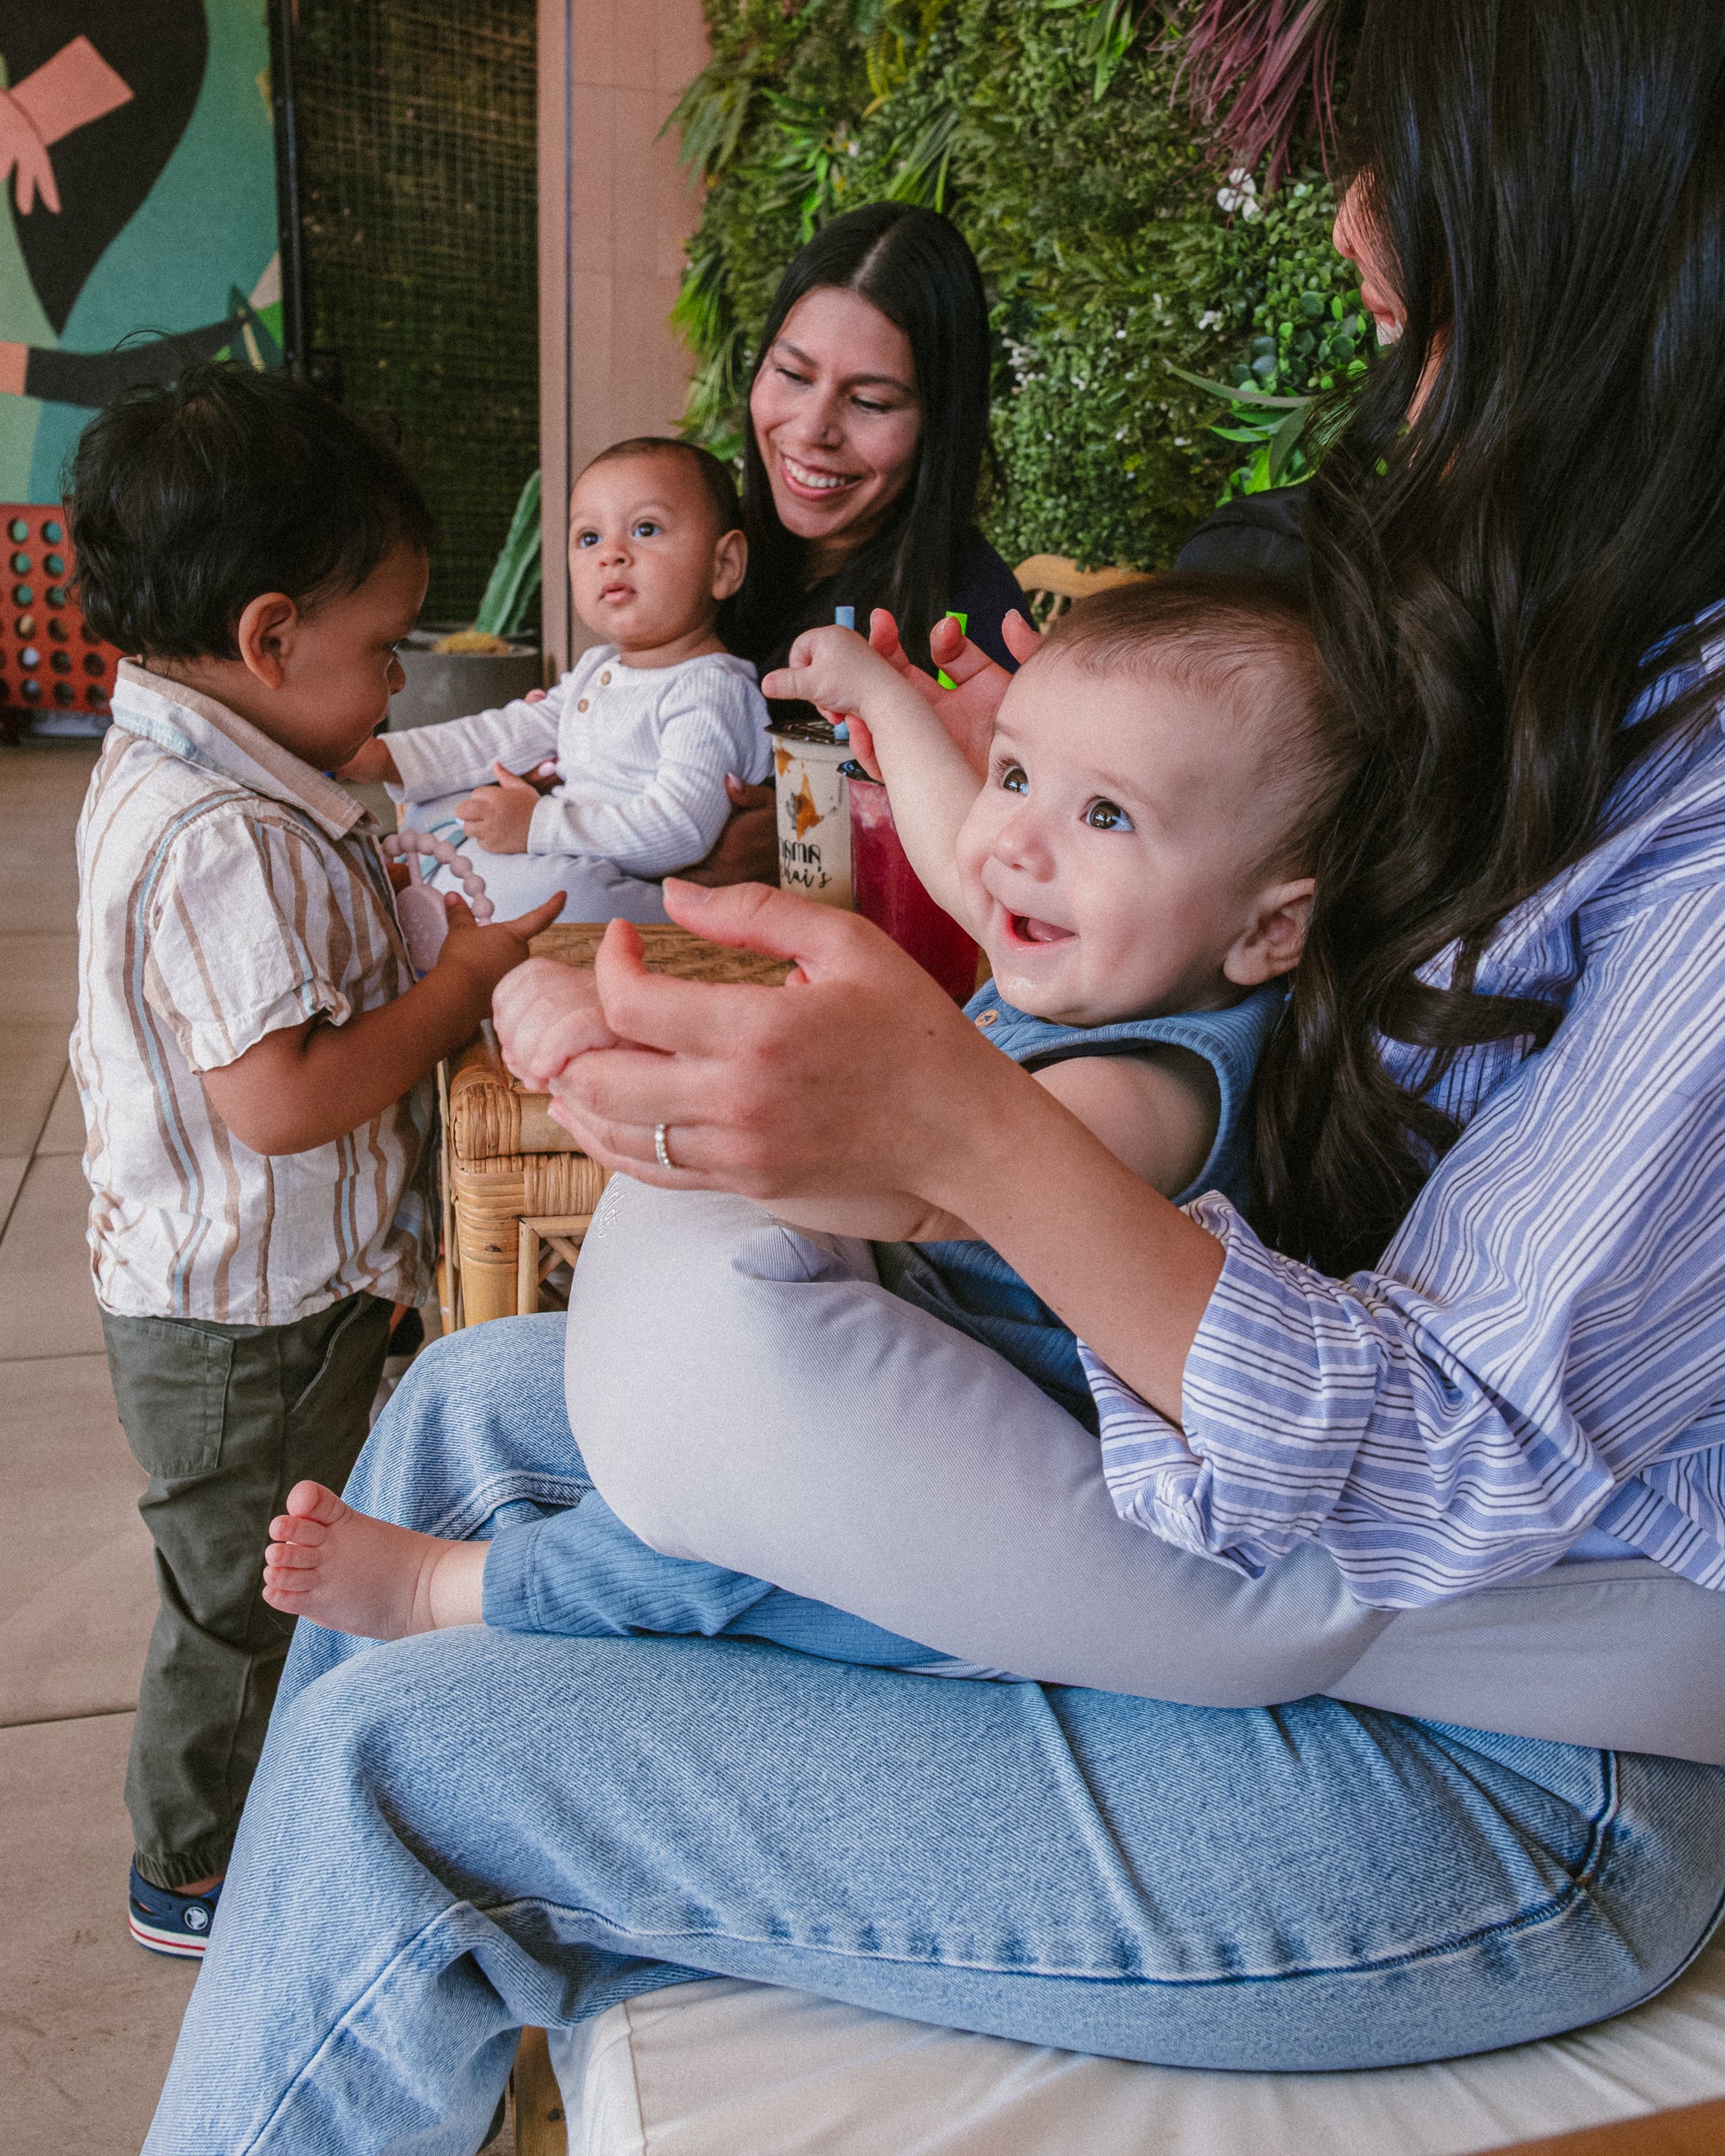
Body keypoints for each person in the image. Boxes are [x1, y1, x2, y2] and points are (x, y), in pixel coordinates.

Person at [144, 1, 1725, 2145]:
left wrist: (956, 1137)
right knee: (457, 1409)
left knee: (388, 1774)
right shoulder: (1556, 623)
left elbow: (1447, 1458)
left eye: (1411, 163)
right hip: (1251, 1494)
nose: (1356, 224)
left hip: (1494, 1745)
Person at [261, 573, 1348, 1634]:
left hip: (997, 1480)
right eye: (1015, 774)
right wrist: (880, 698)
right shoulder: (1108, 954)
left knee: (722, 1536)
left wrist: (624, 1051)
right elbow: (956, 841)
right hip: (908, 1350)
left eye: (1106, 813)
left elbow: (911, 1168)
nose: (1015, 843)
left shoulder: (1154, 1082)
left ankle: (451, 1590)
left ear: (1267, 928)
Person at [66, 362, 564, 1960]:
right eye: (385, 649)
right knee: (241, 1592)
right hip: (242, 1321)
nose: (399, 684)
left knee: (277, 1550)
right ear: (271, 636)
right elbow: (282, 1101)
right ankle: (196, 1872)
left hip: (268, 1292)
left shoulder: (234, 772)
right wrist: (461, 986)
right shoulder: (221, 835)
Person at [683, 199, 1030, 888]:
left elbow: (1013, 846)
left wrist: (826, 831)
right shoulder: (707, 552)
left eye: (870, 402)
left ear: (939, 423)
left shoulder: (967, 630)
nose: (812, 430)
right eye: (793, 375)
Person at [340, 439, 770, 926]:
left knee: (566, 893)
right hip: (572, 845)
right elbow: (509, 733)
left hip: (642, 884)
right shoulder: (598, 670)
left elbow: (680, 829)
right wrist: (391, 758)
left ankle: (451, 891)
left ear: (724, 565)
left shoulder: (711, 689)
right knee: (436, 802)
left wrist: (537, 824)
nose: (611, 554)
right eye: (589, 538)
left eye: (645, 529)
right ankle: (456, 887)